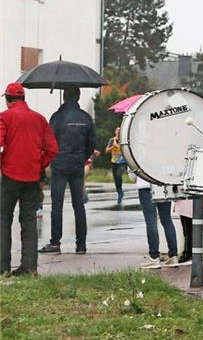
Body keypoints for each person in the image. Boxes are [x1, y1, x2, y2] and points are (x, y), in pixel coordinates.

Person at [0, 83, 59, 276]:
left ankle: (3, 267)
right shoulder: (39, 119)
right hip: (32, 177)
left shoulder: (4, 117)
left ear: (8, 99)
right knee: (29, 221)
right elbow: (52, 149)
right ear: (23, 98)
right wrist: (39, 164)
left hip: (9, 176)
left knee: (3, 220)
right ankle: (29, 267)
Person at [40, 86, 95, 255]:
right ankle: (81, 245)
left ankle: (55, 242)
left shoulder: (57, 117)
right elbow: (91, 145)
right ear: (78, 97)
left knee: (57, 205)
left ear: (64, 97)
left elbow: (48, 141)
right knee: (79, 206)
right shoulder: (86, 118)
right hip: (77, 165)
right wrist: (81, 157)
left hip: (60, 165)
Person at [134, 178, 180, 269]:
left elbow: (133, 168)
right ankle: (173, 255)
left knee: (151, 221)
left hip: (146, 185)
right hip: (164, 183)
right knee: (167, 219)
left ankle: (154, 257)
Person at [105, 127, 128, 205]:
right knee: (116, 179)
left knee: (119, 176)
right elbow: (106, 151)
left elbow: (126, 150)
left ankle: (120, 191)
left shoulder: (124, 139)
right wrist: (113, 146)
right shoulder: (112, 140)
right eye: (117, 130)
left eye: (119, 130)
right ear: (115, 132)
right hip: (114, 161)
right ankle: (119, 192)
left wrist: (117, 146)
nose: (118, 132)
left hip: (122, 162)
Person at [172, 199, 196, 265]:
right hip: (185, 204)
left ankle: (188, 254)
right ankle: (187, 253)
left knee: (188, 232)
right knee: (187, 232)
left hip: (185, 205)